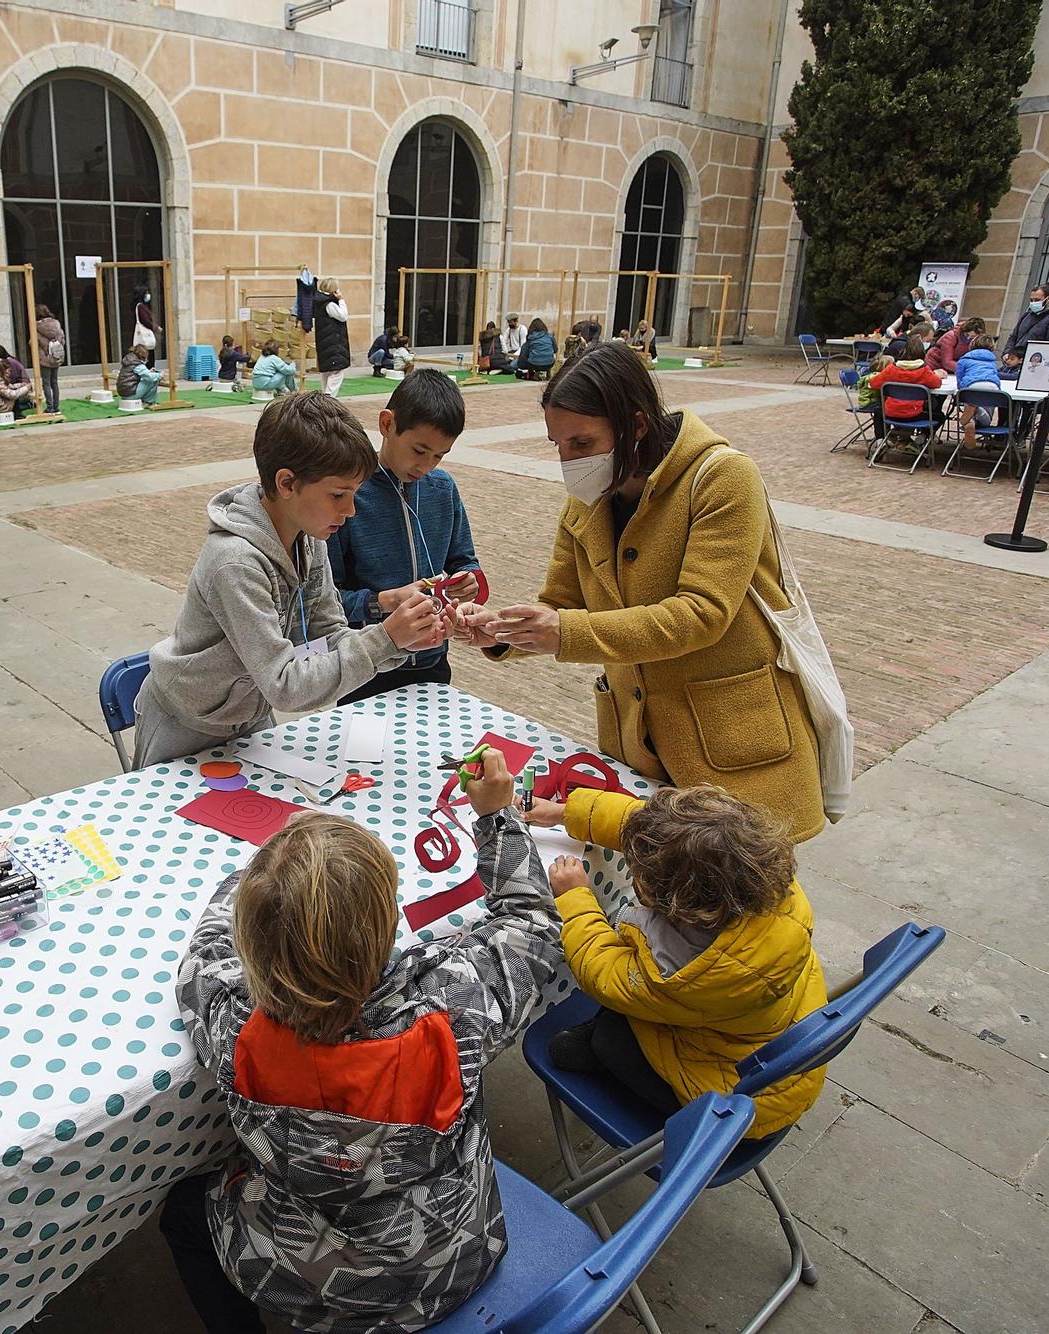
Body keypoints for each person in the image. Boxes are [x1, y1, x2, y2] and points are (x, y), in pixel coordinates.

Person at [165, 753, 560, 1334]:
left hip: (313, 1277)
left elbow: (206, 953)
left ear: (256, 944)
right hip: (455, 1253)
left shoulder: (236, 1028)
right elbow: (532, 922)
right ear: (385, 925)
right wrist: (498, 816)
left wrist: (256, 880)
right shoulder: (454, 1006)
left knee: (182, 1213)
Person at [455, 342, 827, 842]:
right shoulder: (588, 499)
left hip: (728, 746)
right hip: (640, 742)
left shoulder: (723, 478)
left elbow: (701, 614)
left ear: (637, 426)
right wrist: (501, 630)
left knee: (736, 905)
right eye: (557, 444)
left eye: (582, 444)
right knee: (648, 900)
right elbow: (561, 603)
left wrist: (561, 632)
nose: (568, 460)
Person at [129, 392, 443, 767]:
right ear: (287, 483)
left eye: (355, 493)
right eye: (339, 494)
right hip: (186, 723)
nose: (350, 510)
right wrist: (384, 638)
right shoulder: (236, 563)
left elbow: (328, 636)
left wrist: (404, 641)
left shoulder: (308, 537)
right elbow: (284, 685)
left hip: (247, 711)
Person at [526, 783, 827, 1137]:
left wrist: (575, 897)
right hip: (782, 1059)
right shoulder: (757, 874)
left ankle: (613, 1065)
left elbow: (603, 973)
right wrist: (565, 812)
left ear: (673, 902)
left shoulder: (679, 966)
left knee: (606, 1038)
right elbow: (658, 830)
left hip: (735, 1101)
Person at [327, 369, 479, 705]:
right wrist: (382, 602)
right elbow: (327, 600)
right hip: (366, 667)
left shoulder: (443, 489)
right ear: (387, 425)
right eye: (419, 450)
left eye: (439, 455)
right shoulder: (350, 497)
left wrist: (470, 582)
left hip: (432, 663)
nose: (426, 465)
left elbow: (466, 562)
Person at [869, 335, 944, 432]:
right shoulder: (924, 371)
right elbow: (937, 383)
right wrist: (936, 374)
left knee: (878, 411)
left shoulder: (892, 369)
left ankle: (880, 440)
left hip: (891, 412)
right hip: (914, 413)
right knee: (940, 416)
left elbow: (873, 383)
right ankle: (923, 437)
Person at [954, 334, 1004, 451]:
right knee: (987, 416)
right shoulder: (992, 360)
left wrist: (962, 389)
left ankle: (971, 418)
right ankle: (979, 412)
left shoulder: (964, 359)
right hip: (992, 386)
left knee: (970, 400)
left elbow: (960, 379)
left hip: (971, 387)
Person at [1002, 286, 1049, 358]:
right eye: (1031, 300)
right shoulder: (1027, 315)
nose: (1033, 303)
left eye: (1037, 300)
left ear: (1048, 299)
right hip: (1014, 360)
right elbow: (1013, 337)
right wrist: (1007, 353)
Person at [312, 277, 351, 397]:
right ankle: (328, 397)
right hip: (334, 342)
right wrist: (341, 300)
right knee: (337, 371)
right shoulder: (329, 304)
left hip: (326, 341)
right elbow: (343, 315)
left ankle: (325, 396)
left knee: (327, 371)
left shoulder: (320, 302)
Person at [0, 343, 32, 416]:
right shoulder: (1, 371)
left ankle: (20, 409)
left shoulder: (9, 363)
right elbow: (9, 389)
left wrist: (23, 386)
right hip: (7, 395)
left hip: (19, 387)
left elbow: (11, 382)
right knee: (12, 396)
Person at [34, 304, 65, 412]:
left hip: (44, 359)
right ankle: (56, 406)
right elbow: (62, 340)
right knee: (54, 382)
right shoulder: (56, 324)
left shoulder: (36, 327)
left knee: (46, 383)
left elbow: (32, 342)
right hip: (56, 357)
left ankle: (49, 406)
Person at [133, 285, 160, 368]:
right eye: (146, 293)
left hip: (143, 337)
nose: (148, 295)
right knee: (148, 359)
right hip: (144, 337)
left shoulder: (140, 306)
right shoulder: (140, 306)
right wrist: (156, 327)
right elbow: (145, 320)